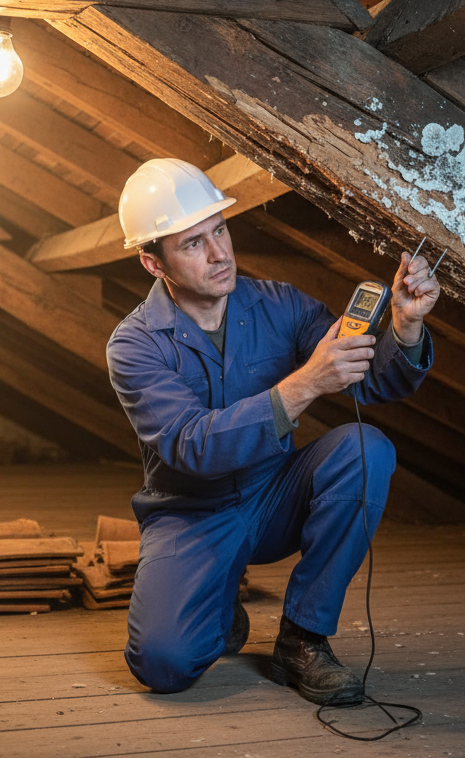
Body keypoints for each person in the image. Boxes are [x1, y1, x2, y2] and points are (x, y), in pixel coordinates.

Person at [106, 158, 440, 705]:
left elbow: (369, 381)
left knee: (365, 448)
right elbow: (191, 445)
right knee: (164, 665)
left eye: (220, 230)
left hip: (274, 494)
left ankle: (303, 637)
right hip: (192, 513)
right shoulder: (135, 345)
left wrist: (405, 324)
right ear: (152, 262)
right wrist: (305, 383)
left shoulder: (279, 305)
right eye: (193, 244)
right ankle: (215, 606)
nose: (219, 254)